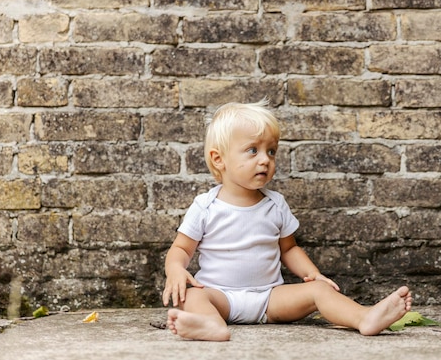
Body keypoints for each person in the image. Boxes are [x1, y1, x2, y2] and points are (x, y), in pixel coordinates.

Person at [162, 100, 412, 341]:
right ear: (219, 159)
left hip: (270, 298)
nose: (265, 159)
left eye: (271, 151)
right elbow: (182, 248)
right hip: (220, 297)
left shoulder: (275, 204)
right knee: (192, 297)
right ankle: (211, 326)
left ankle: (364, 317)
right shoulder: (205, 206)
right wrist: (175, 269)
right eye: (252, 150)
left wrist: (313, 274)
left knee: (319, 291)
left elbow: (289, 249)